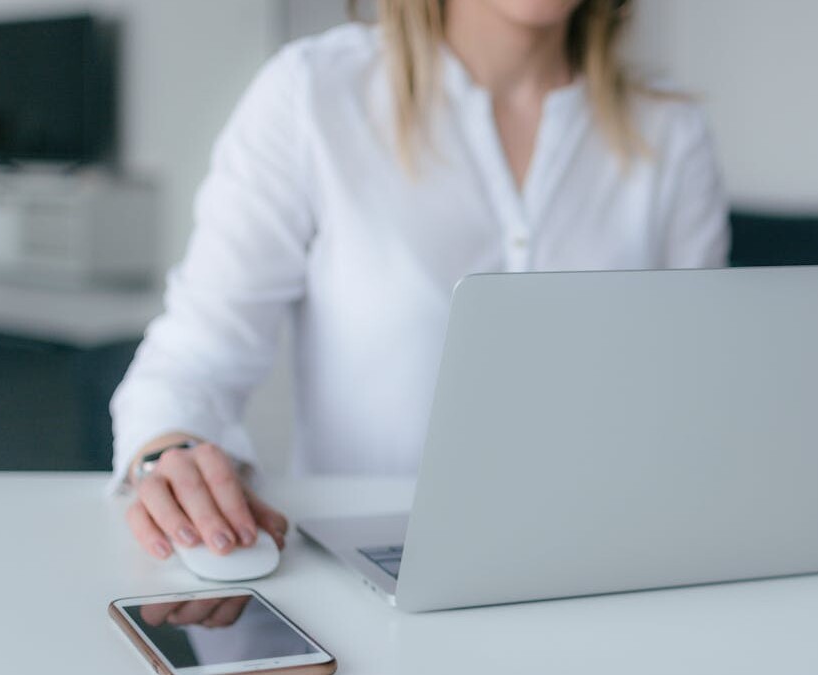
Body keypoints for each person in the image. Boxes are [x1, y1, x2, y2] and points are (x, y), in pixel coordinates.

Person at [111, 0, 729, 560]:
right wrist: (170, 456)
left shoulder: (670, 131)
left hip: (604, 562)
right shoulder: (313, 95)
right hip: (369, 569)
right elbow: (194, 359)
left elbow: (696, 397)